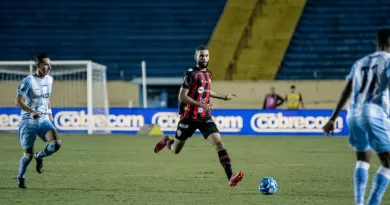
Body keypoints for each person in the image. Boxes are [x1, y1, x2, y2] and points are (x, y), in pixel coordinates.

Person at [153, 45, 244, 187]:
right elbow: (182, 96)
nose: (204, 58)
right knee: (176, 150)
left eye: (206, 55)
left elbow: (207, 91)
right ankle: (166, 141)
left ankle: (230, 177)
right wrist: (201, 104)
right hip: (188, 117)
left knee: (219, 143)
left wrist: (224, 97)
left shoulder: (208, 73)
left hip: (204, 117)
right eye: (201, 55)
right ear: (195, 57)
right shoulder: (190, 73)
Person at [323, 28, 390, 205]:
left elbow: (347, 90)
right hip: (374, 112)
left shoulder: (360, 62)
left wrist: (332, 118)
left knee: (363, 158)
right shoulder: (389, 61)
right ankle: (372, 202)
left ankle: (359, 203)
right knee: (388, 162)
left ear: (377, 43)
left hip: (353, 114)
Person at [15, 54, 62, 189]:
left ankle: (39, 156)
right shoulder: (28, 81)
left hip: (43, 120)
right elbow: (18, 101)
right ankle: (21, 177)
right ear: (38, 65)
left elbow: (47, 99)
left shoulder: (50, 80)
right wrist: (31, 111)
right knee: (27, 156)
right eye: (46, 64)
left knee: (56, 143)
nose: (49, 67)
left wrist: (50, 114)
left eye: (50, 64)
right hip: (28, 122)